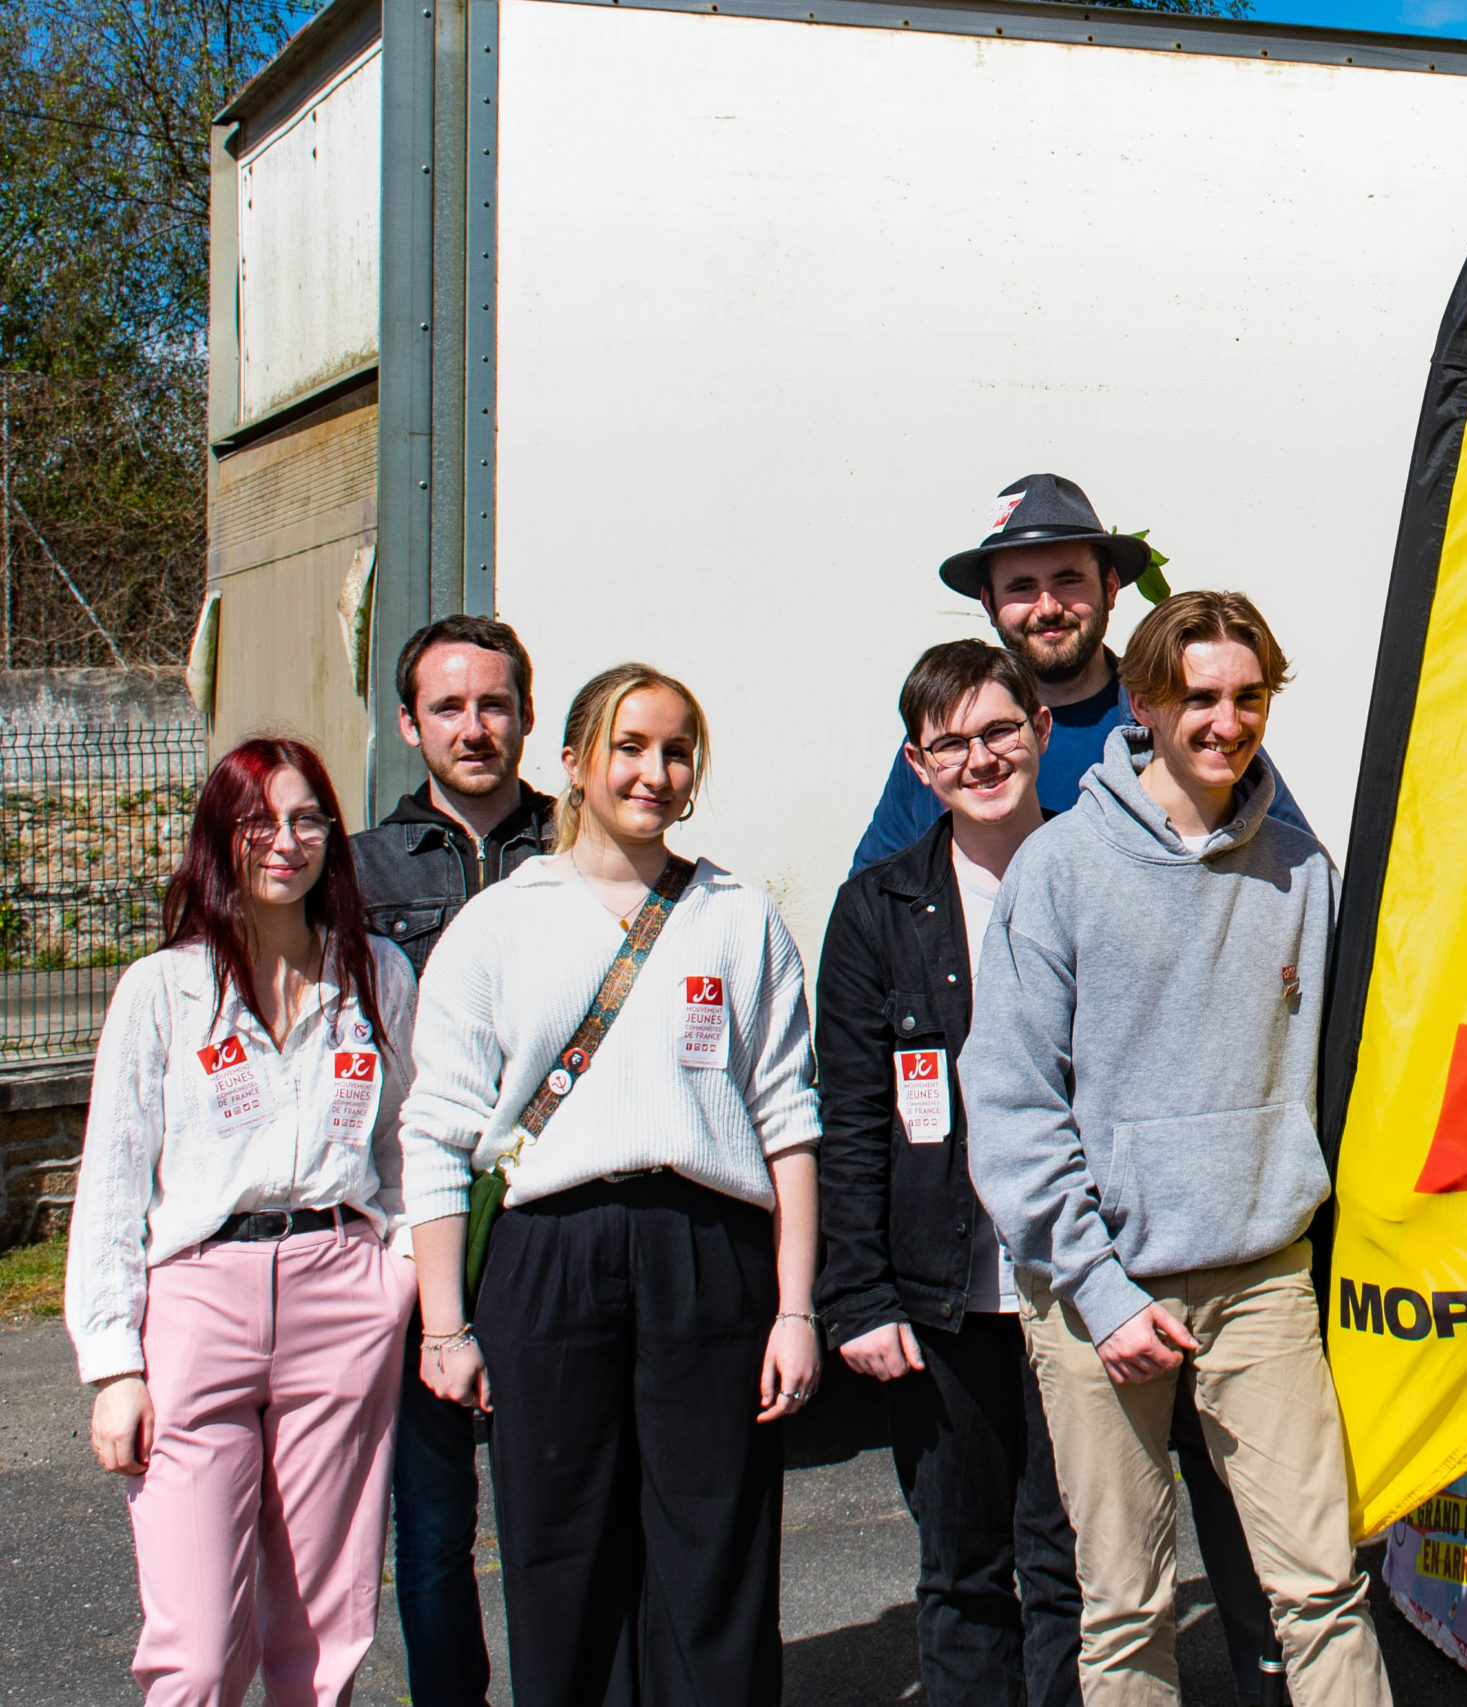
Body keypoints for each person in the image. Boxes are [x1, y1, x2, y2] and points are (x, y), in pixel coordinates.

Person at [965, 591, 1392, 1707]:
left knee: (1323, 1590)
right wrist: (1100, 1292)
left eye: (1248, 697)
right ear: (1144, 703)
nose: (1226, 721)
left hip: (1261, 1278)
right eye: (1200, 696)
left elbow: (1368, 1049)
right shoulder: (1059, 868)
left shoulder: (1301, 870)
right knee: (1124, 1611)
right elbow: (1010, 1105)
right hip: (1095, 1287)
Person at [400, 663, 824, 1707]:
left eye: (677, 751)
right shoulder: (499, 923)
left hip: (708, 1251)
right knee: (559, 1546)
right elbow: (438, 1131)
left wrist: (796, 1309)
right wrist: (445, 1325)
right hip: (550, 1255)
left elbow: (788, 1121)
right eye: (629, 747)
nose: (654, 771)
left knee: (716, 1544)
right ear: (574, 764)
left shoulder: (737, 916)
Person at [65, 736, 419, 1705]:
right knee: (198, 1646)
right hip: (197, 1299)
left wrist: (395, 1271)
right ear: (219, 837)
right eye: (259, 821)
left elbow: (406, 1143)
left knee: (324, 1628)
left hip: (341, 1293)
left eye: (307, 819)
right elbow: (113, 1181)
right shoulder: (163, 990)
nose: (285, 841)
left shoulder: (377, 974)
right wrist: (114, 1365)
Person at [814, 640, 1080, 1706]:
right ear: (917, 765)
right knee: (962, 1571)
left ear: (1042, 730)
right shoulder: (878, 909)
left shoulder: (1102, 873)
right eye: (950, 743)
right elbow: (852, 1119)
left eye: (1000, 729)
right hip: (941, 1298)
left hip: (1079, 1287)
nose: (981, 758)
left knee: (1075, 1568)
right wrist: (860, 1294)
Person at [350, 613, 552, 1707]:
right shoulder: (357, 872)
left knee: (561, 1507)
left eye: (493, 705)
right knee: (431, 1525)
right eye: (448, 707)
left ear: (525, 715)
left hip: (553, 1226)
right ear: (408, 724)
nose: (474, 728)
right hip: (419, 1226)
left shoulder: (580, 849)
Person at [849, 472, 1304, 870]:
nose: (1048, 607)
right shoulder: (951, 746)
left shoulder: (1180, 719)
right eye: (1022, 587)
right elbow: (881, 897)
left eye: (1068, 581)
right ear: (989, 604)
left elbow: (1289, 863)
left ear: (1110, 588)